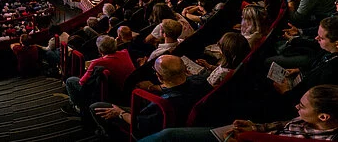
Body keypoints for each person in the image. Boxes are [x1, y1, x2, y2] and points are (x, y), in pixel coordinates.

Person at [140, 85, 338, 141]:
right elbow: (280, 125)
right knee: (170, 135)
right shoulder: (306, 118)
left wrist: (248, 138)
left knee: (170, 136)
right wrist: (254, 127)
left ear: (323, 116)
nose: (297, 107)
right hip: (248, 134)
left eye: (302, 106)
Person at [90, 55, 210, 140]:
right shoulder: (200, 80)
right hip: (187, 120)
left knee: (96, 107)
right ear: (185, 69)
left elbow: (139, 124)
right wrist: (156, 87)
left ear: (159, 76)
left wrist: (120, 113)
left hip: (150, 128)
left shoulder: (162, 104)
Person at [62, 35, 135, 115]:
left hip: (113, 94)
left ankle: (78, 107)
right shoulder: (125, 53)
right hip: (129, 92)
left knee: (70, 80)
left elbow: (82, 82)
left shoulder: (97, 63)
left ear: (100, 50)